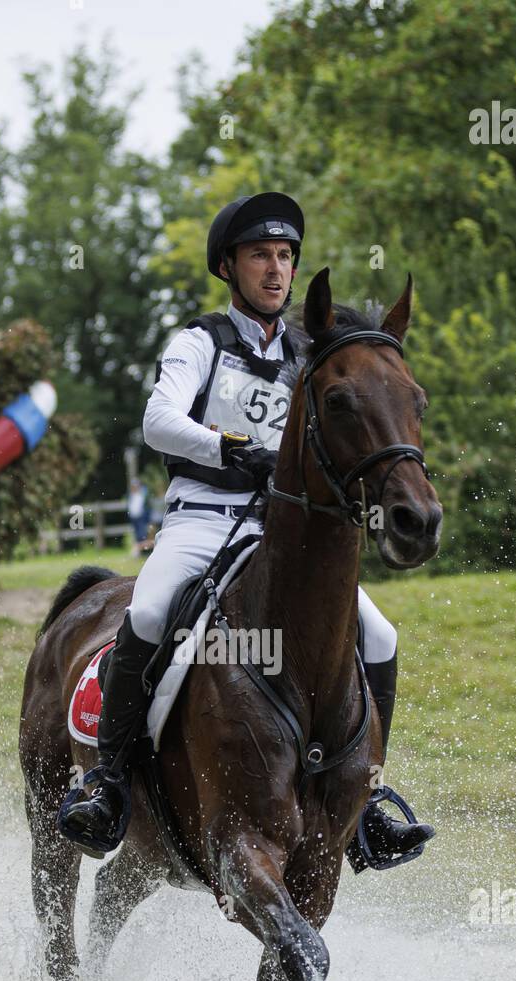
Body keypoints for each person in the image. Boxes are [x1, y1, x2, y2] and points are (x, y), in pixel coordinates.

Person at [58, 191, 433, 868]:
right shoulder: (200, 342)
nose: (276, 269)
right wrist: (227, 447)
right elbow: (158, 422)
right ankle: (108, 781)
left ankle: (367, 793)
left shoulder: (308, 351)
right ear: (229, 266)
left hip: (276, 532)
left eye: (286, 256)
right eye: (261, 255)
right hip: (203, 518)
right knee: (146, 609)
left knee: (380, 633)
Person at [126, 477, 151, 556]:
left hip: (141, 517)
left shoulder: (143, 493)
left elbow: (146, 506)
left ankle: (144, 551)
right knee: (137, 535)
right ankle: (139, 552)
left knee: (142, 534)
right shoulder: (131, 495)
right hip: (134, 518)